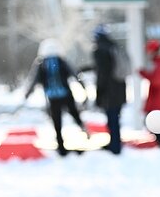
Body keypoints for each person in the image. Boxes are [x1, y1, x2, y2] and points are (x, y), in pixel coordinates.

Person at [24, 39, 88, 156]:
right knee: (74, 113)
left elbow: (34, 79)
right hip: (66, 93)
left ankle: (61, 147)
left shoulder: (41, 63)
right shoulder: (61, 60)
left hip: (52, 97)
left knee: (57, 122)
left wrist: (28, 93)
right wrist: (82, 85)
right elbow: (74, 73)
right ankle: (83, 128)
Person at [91, 25, 127, 155]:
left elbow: (102, 74)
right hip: (119, 89)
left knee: (112, 120)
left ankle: (115, 146)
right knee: (116, 119)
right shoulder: (114, 46)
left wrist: (99, 94)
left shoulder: (100, 50)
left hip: (109, 92)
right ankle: (115, 142)